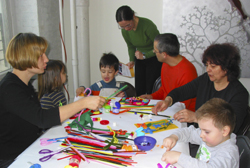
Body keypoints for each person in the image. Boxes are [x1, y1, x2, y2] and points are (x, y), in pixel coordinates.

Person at [0, 33, 105, 168]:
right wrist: (83, 103)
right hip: (12, 159)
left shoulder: (23, 85)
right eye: (41, 55)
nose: (46, 59)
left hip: (29, 149)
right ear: (26, 57)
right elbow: (42, 118)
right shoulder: (10, 89)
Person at [152, 43, 248, 134]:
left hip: (218, 145)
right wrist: (168, 100)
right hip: (199, 135)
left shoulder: (239, 94)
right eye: (207, 65)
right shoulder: (206, 79)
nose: (208, 69)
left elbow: (231, 127)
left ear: (227, 68)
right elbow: (182, 91)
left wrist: (197, 118)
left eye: (213, 66)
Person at [161, 98, 239, 167]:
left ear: (224, 131)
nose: (201, 135)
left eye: (206, 132)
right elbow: (190, 132)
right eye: (201, 129)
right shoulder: (213, 137)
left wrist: (179, 157)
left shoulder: (229, 154)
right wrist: (174, 137)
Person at [139, 33, 197, 111]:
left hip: (182, 113)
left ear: (164, 54)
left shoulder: (187, 72)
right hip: (167, 106)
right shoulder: (166, 63)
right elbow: (165, 88)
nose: (153, 52)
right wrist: (152, 96)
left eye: (155, 51)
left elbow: (182, 105)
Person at [116, 5, 162, 96]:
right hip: (139, 58)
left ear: (133, 16)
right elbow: (131, 46)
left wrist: (145, 56)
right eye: (122, 27)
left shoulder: (147, 25)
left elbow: (160, 46)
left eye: (128, 25)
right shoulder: (125, 31)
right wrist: (132, 60)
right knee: (139, 88)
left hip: (154, 57)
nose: (126, 29)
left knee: (151, 89)